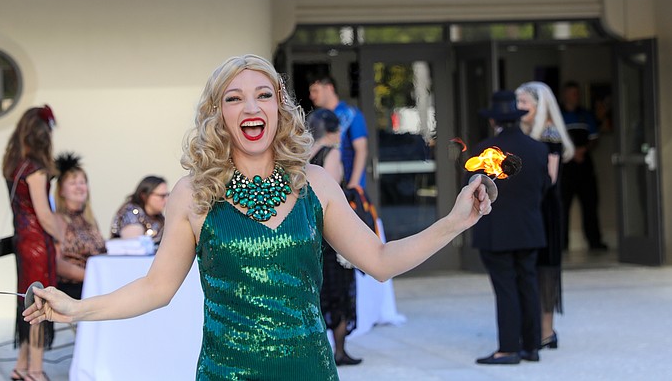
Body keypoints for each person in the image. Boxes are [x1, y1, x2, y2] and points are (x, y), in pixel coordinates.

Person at [24, 54, 492, 381]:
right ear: (218, 115)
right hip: (227, 374)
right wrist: (77, 309)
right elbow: (155, 289)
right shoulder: (193, 194)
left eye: (263, 95)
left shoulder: (316, 184)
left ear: (278, 108)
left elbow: (381, 260)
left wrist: (453, 221)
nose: (250, 106)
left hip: (309, 371)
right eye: (234, 98)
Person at [470, 90, 551, 365]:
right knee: (528, 285)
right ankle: (531, 347)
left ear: (494, 120)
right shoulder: (538, 149)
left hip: (496, 232)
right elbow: (545, 188)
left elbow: (473, 191)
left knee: (505, 288)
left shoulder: (483, 151)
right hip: (529, 228)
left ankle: (508, 348)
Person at [2, 105, 60, 381]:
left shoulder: (14, 166)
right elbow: (45, 216)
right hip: (37, 243)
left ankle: (21, 366)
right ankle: (35, 371)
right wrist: (65, 236)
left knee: (25, 302)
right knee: (38, 303)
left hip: (21, 241)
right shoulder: (35, 170)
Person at [516, 81, 575, 351]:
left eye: (524, 103)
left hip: (545, 210)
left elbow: (549, 179)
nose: (519, 108)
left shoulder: (549, 133)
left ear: (539, 106)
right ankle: (534, 329)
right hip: (530, 208)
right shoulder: (525, 132)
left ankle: (546, 331)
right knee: (530, 270)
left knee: (546, 270)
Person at [306, 108, 360, 367]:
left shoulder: (306, 155)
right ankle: (339, 350)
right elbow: (332, 192)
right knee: (341, 291)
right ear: (332, 130)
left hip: (311, 231)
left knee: (321, 290)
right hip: (331, 232)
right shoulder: (333, 153)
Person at [560, 81, 607, 251]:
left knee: (590, 204)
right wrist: (571, 152)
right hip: (565, 167)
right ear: (565, 94)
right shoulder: (557, 115)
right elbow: (553, 139)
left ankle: (594, 241)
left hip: (585, 165)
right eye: (573, 93)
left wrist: (582, 150)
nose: (576, 97)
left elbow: (594, 138)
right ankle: (561, 243)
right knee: (562, 206)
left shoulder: (586, 115)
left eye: (577, 93)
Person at [53, 152, 106, 300]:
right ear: (61, 190)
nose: (79, 187)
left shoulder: (88, 218)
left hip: (95, 282)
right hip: (75, 287)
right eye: (72, 183)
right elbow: (56, 263)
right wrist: (90, 276)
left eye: (82, 182)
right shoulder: (58, 219)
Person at [308, 75, 369, 192]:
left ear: (329, 88)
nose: (312, 96)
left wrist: (354, 184)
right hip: (322, 185)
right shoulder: (316, 117)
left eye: (316, 90)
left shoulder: (351, 114)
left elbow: (361, 149)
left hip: (346, 186)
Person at [110, 175, 169, 244]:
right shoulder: (131, 212)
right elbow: (134, 246)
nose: (166, 200)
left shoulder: (159, 217)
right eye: (162, 196)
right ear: (144, 196)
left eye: (168, 195)